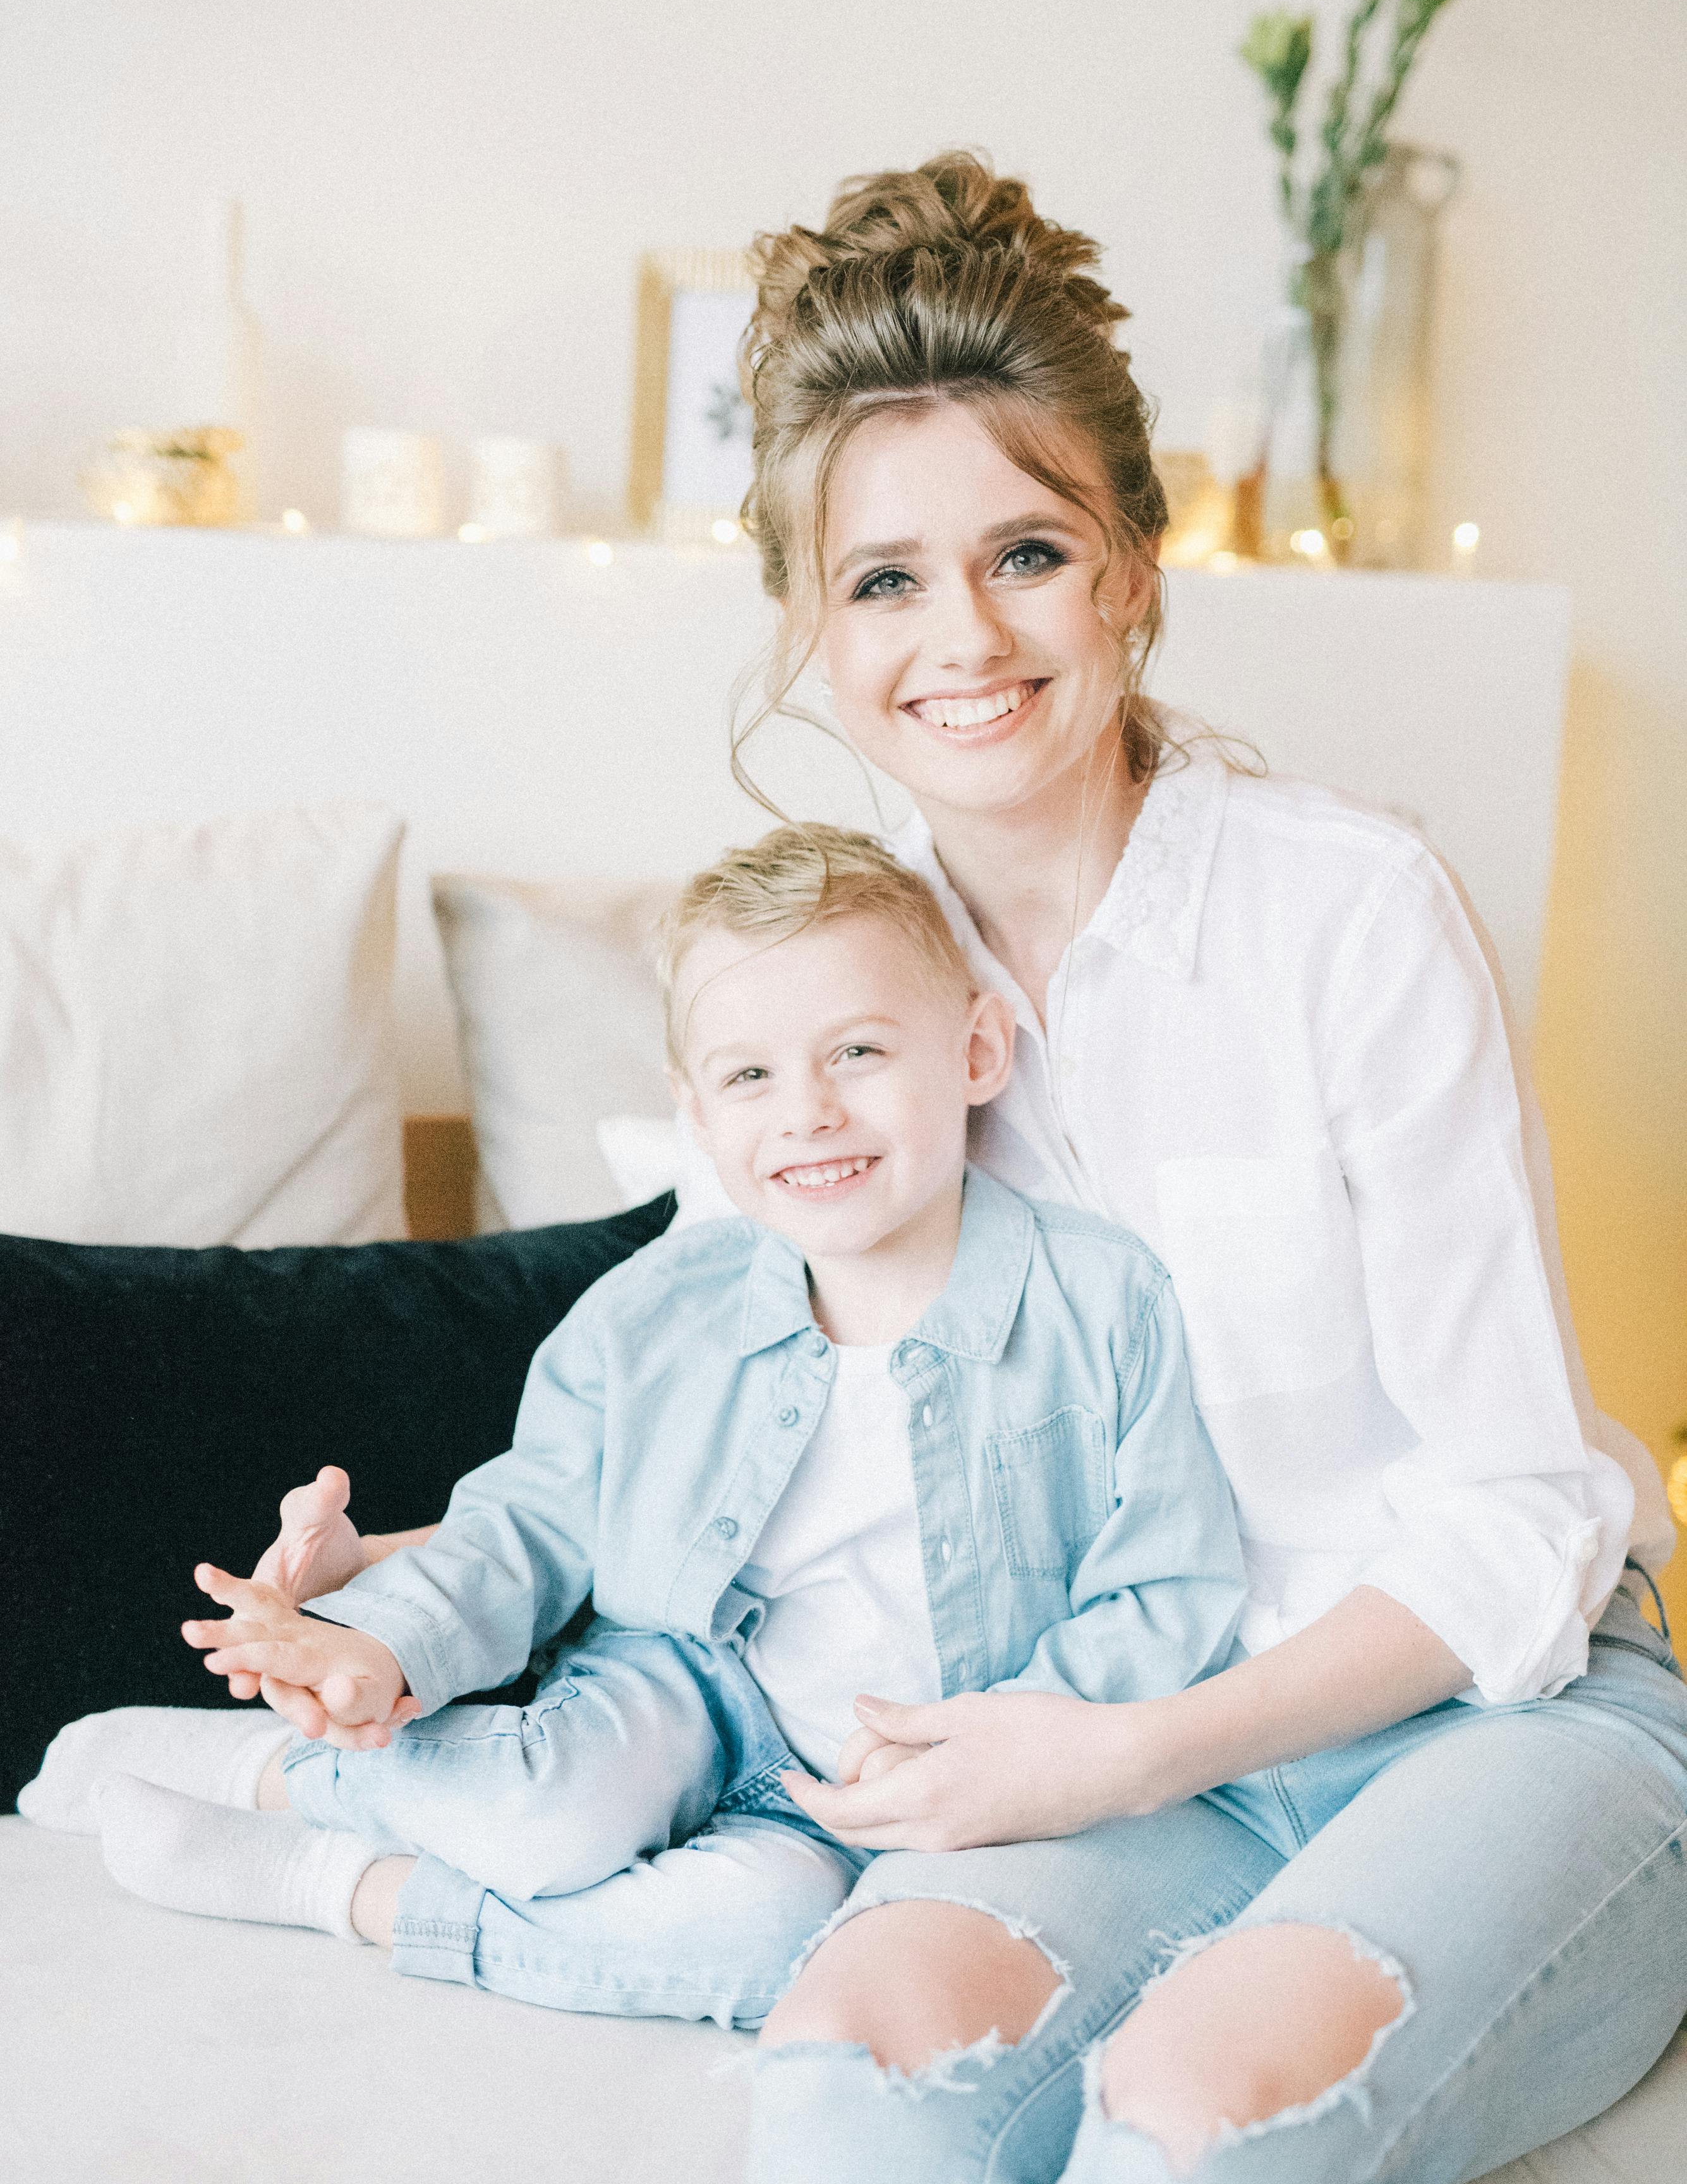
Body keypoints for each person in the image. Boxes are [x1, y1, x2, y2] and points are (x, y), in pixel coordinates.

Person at [710, 154, 1685, 2184]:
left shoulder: (1347, 913)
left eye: (1026, 553)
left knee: (1180, 2136)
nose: (960, 639)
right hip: (1130, 1765)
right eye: (883, 581)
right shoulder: (830, 1007)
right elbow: (706, 1451)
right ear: (809, 626)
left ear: (1136, 571)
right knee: (852, 2070)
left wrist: (1128, 1749)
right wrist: (417, 1585)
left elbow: (1520, 1505)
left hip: (1495, 1726)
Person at [21, 824, 1248, 2034]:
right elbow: (531, 1519)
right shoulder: (660, 1309)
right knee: (549, 1814)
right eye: (751, 1075)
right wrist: (384, 1647)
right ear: (696, 1112)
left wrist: (1003, 1739)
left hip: (915, 1767)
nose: (809, 1110)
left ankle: (346, 1883)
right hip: (691, 1676)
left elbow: (1167, 1586)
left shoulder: (1102, 1300)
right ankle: (291, 1772)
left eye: (860, 1050)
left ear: (977, 1049)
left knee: (773, 1943)